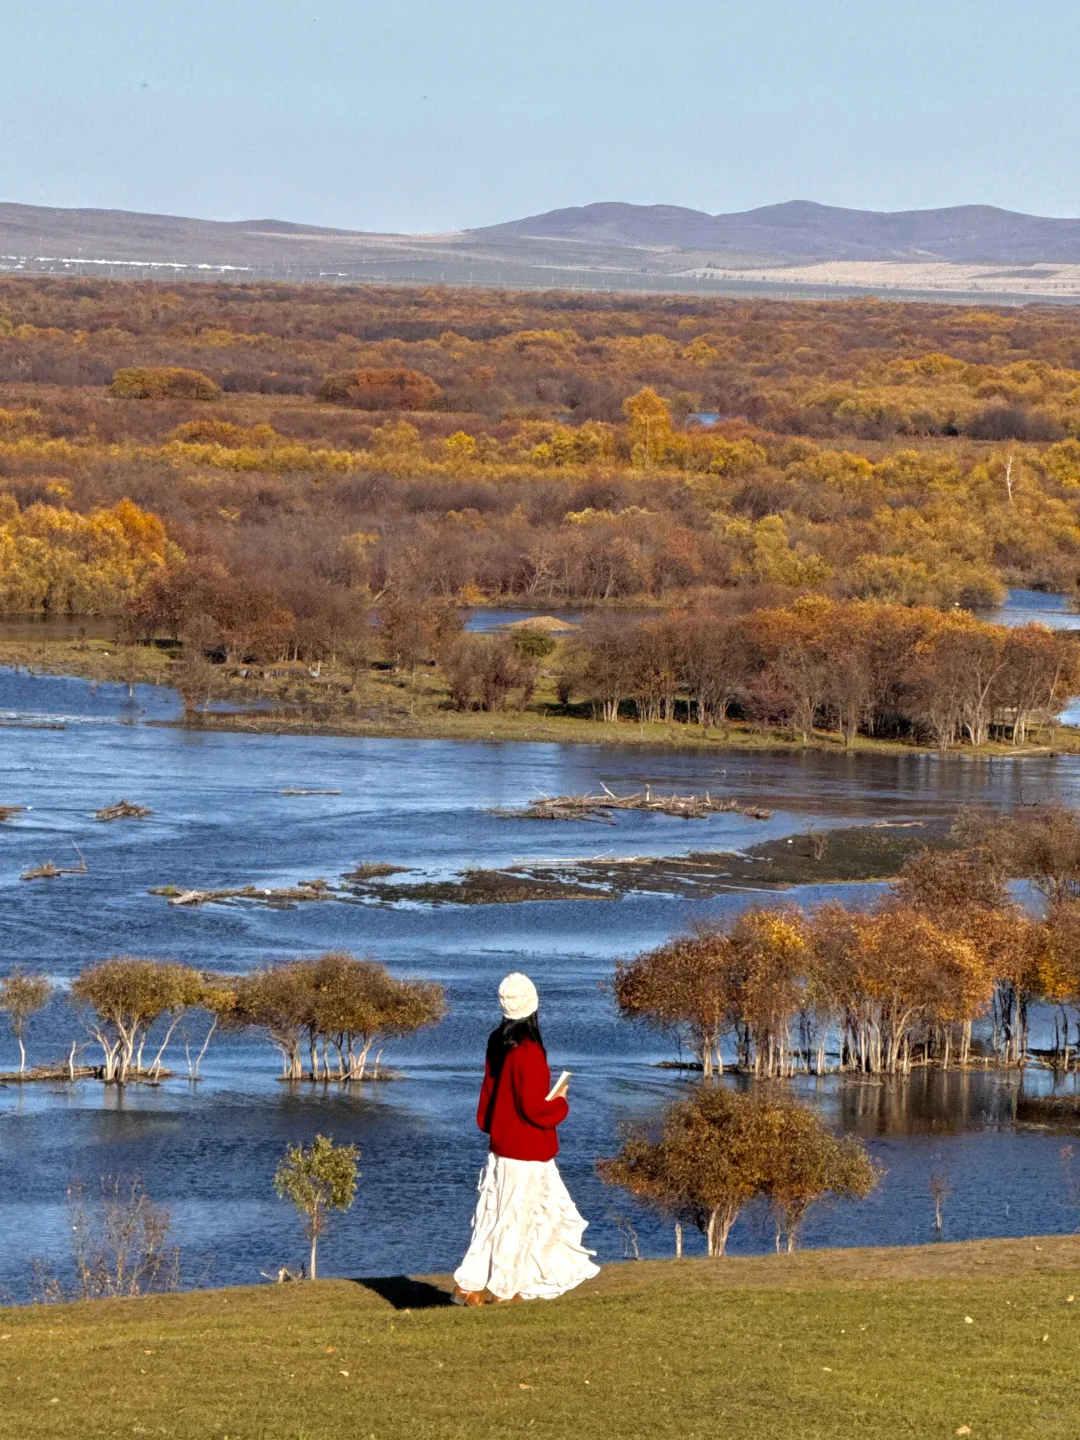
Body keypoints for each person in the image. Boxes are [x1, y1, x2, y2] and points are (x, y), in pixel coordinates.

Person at [452, 972, 600, 1306]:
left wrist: (497, 1125)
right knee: (517, 1220)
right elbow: (534, 1107)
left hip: (503, 1145)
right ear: (533, 1007)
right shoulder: (529, 1051)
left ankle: (470, 1285)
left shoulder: (497, 1042)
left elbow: (491, 1095)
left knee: (494, 1217)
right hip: (527, 1149)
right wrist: (560, 1103)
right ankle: (505, 1289)